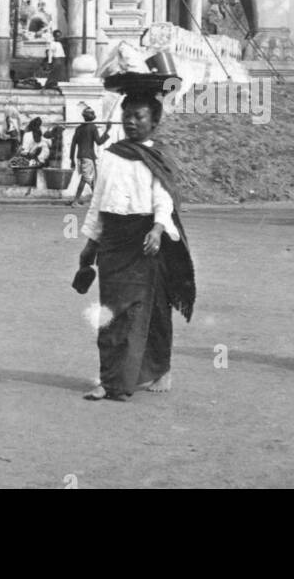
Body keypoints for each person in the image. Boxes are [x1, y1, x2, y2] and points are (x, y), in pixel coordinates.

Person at [75, 94, 196, 400]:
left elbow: (163, 198)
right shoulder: (111, 155)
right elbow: (98, 202)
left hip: (145, 239)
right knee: (111, 311)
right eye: (127, 115)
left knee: (142, 311)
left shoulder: (158, 156)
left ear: (154, 122)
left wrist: (157, 228)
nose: (131, 121)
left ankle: (136, 376)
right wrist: (90, 244)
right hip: (114, 240)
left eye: (139, 116)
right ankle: (115, 377)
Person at [66, 103, 110, 206]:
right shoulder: (92, 127)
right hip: (88, 157)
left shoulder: (79, 128)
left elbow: (73, 145)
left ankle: (97, 201)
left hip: (81, 157)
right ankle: (76, 201)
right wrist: (107, 131)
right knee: (86, 179)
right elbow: (99, 142)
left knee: (91, 179)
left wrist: (71, 159)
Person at [19, 116, 51, 195]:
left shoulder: (42, 139)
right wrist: (31, 154)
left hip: (39, 160)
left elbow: (48, 146)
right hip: (30, 159)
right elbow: (24, 152)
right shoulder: (28, 135)